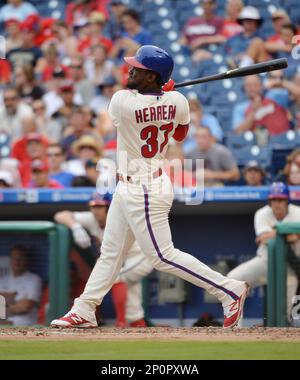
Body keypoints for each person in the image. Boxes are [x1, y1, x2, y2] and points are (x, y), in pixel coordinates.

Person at [51, 45, 248, 329]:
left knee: (162, 256)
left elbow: (138, 103)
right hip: (134, 184)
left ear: (151, 77)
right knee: (111, 253)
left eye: (137, 69)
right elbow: (180, 134)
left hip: (144, 189)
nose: (129, 71)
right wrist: (166, 97)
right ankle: (84, 308)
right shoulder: (179, 100)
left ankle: (229, 290)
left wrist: (161, 96)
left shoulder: (121, 101)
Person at [54, 193, 153, 327]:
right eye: (93, 206)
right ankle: (138, 323)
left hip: (140, 257)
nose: (96, 210)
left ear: (109, 207)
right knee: (133, 303)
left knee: (116, 277)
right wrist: (75, 227)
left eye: (100, 206)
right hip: (122, 259)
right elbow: (60, 215)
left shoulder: (120, 218)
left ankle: (121, 322)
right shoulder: (92, 219)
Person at [227, 183, 300, 324]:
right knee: (232, 281)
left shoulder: (297, 212)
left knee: (285, 315)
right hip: (266, 262)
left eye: (280, 200)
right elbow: (265, 238)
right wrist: (288, 234)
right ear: (269, 201)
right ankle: (235, 329)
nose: (277, 204)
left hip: (290, 268)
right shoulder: (262, 213)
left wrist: (274, 234)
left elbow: (275, 238)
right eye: (274, 200)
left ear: (287, 201)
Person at [0, 245, 42, 326]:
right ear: (10, 260)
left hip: (25, 326)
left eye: (20, 259)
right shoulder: (2, 280)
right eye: (14, 258)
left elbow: (26, 306)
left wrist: (5, 303)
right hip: (2, 325)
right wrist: (16, 304)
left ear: (26, 260)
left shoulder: (34, 279)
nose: (17, 262)